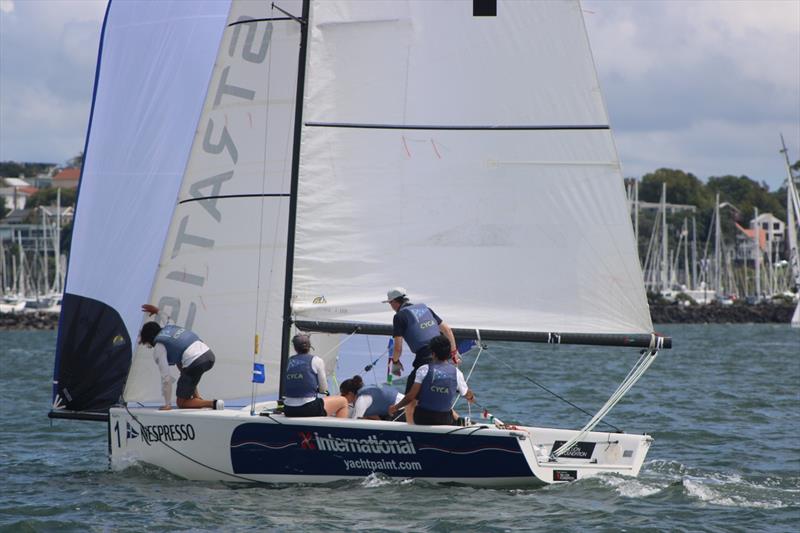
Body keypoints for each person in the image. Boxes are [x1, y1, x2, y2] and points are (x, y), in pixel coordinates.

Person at [384, 287, 458, 423]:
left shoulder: (399, 316)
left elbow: (398, 348)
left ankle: (411, 430)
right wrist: (453, 353)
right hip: (442, 357)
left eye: (390, 303)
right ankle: (458, 420)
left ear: (395, 302)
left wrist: (395, 362)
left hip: (424, 358)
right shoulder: (426, 309)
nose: (391, 306)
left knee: (411, 398)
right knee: (438, 396)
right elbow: (447, 330)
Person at [139, 304, 223, 411]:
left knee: (181, 402)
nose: (148, 346)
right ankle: (197, 399)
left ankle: (214, 403)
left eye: (146, 343)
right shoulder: (170, 326)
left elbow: (166, 378)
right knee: (182, 367)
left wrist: (167, 404)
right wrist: (157, 311)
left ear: (149, 339)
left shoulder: (159, 347)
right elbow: (167, 317)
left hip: (195, 362)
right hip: (209, 355)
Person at [388, 335, 474, 425]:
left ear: (433, 354)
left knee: (417, 401)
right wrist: (471, 397)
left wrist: (395, 407)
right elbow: (467, 394)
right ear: (449, 353)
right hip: (445, 420)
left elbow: (410, 397)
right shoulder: (457, 373)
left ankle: (412, 429)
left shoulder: (423, 369)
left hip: (423, 419)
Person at [283, 334, 348, 418]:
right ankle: (338, 431)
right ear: (310, 346)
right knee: (343, 401)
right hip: (308, 408)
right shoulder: (317, 360)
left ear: (295, 347)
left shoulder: (288, 361)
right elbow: (323, 389)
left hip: (288, 409)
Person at [339, 375, 404, 421]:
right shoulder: (365, 392)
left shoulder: (362, 399)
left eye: (343, 395)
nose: (341, 397)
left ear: (350, 393)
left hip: (402, 410)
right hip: (399, 408)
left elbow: (354, 422)